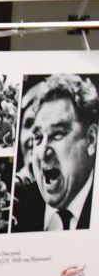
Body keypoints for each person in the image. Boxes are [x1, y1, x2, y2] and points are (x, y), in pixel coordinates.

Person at [12, 74, 96, 232]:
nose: (42, 153)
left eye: (57, 134)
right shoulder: (18, 210)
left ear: (90, 140)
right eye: (38, 137)